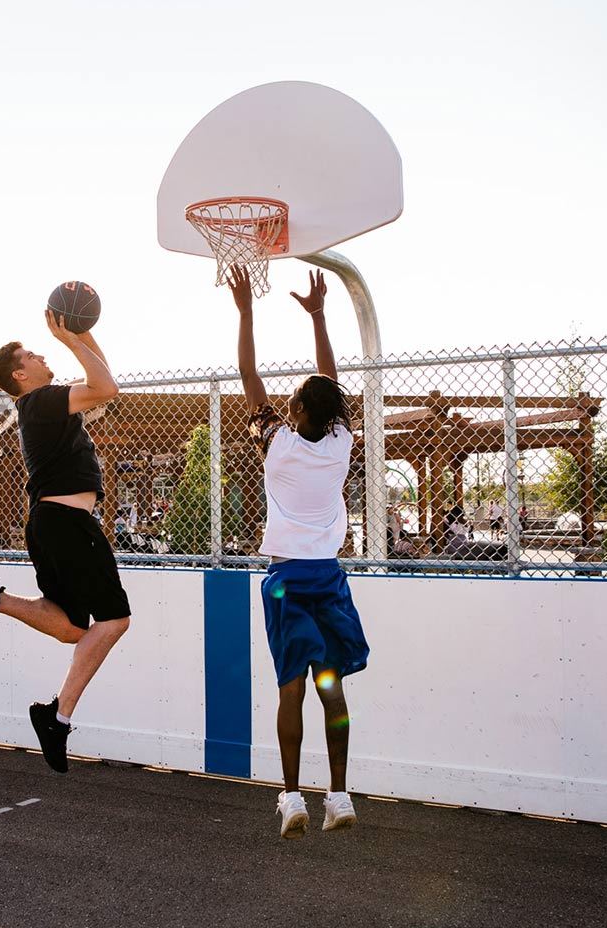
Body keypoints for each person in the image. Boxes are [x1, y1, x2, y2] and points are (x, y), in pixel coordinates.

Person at [0, 310, 130, 773]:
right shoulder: (43, 400)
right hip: (67, 524)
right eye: (32, 353)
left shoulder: (41, 405)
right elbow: (106, 388)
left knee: (72, 626)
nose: (41, 353)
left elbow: (105, 379)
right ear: (19, 374)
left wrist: (83, 331)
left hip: (52, 522)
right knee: (113, 622)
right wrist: (70, 337)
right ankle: (58, 717)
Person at [229, 264, 369, 839]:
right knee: (330, 686)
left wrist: (245, 310)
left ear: (294, 415)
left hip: (285, 579)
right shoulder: (340, 446)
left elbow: (247, 374)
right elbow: (330, 381)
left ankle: (291, 799)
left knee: (291, 689)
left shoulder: (278, 447)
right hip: (329, 578)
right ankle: (339, 795)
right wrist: (318, 316)